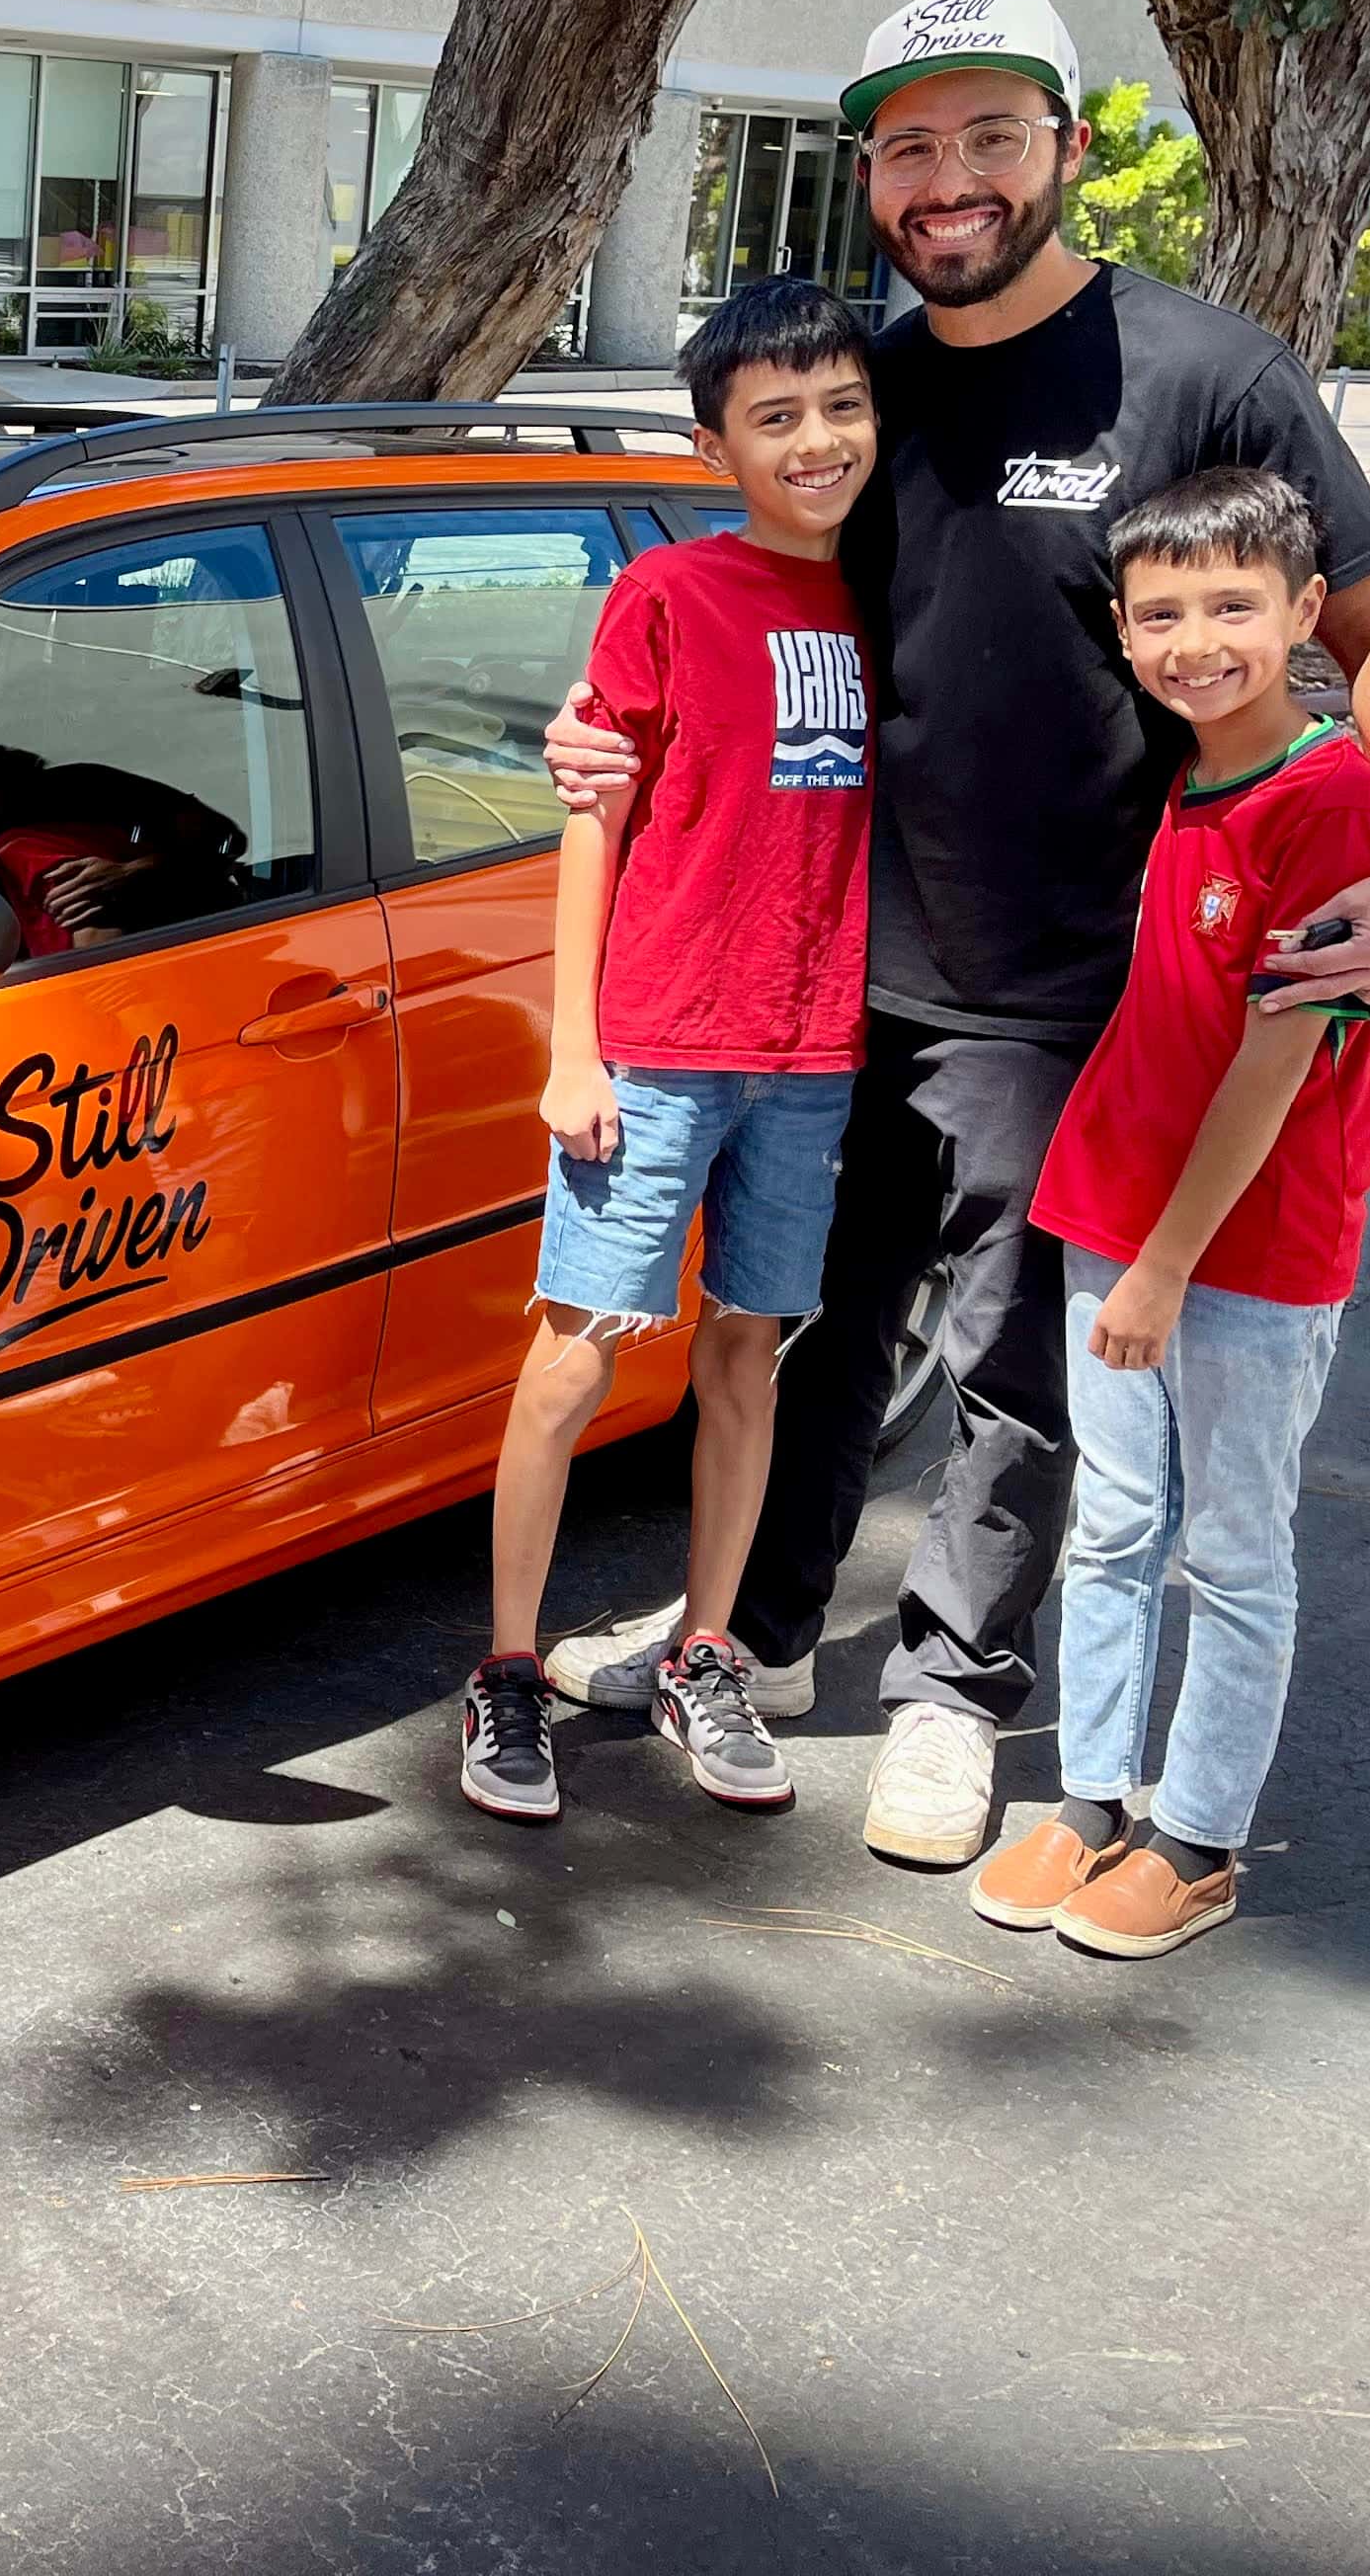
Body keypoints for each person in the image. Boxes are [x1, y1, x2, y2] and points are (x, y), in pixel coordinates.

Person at [539, 0, 1370, 1871]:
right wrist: (602, 735)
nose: (946, 180)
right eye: (908, 147)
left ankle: (956, 1693)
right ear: (870, 176)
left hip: (1070, 993)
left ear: (1062, 145)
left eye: (987, 138)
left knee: (1010, 1365)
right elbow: (757, 605)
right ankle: (760, 1637)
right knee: (790, 1323)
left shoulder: (1203, 374)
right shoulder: (875, 383)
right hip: (822, 972)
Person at [965, 469, 1370, 1955]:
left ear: (1300, 613)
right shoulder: (1185, 768)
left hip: (1250, 1247)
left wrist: (1161, 1269)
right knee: (1113, 1526)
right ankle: (1092, 1799)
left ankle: (1200, 1834)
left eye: (1231, 606)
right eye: (1161, 614)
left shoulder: (1332, 797)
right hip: (1117, 1203)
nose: (1195, 640)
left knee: (1232, 1548)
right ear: (1123, 627)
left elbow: (1279, 1058)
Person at [462, 277, 879, 1823]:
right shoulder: (673, 595)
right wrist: (574, 1047)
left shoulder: (890, 595)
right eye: (775, 418)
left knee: (747, 1352)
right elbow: (595, 820)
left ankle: (709, 1652)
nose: (816, 440)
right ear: (717, 443)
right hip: (655, 1046)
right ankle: (508, 1667)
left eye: (841, 407)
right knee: (572, 1357)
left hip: (812, 1049)